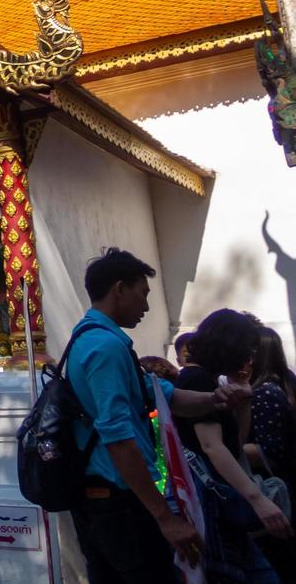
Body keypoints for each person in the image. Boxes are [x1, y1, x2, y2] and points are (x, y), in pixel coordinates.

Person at [65, 249, 256, 583]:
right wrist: (164, 517)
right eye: (143, 293)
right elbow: (118, 438)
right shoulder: (104, 348)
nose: (147, 306)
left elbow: (167, 397)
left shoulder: (97, 340)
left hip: (111, 501)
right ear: (119, 289)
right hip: (118, 502)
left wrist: (216, 399)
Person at [176, 309, 288, 580]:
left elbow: (234, 443)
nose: (250, 357)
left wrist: (244, 397)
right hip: (214, 508)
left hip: (220, 507)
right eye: (247, 348)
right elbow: (213, 447)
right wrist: (258, 500)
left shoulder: (210, 380)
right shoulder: (197, 379)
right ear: (229, 345)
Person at [246, 326, 296, 579]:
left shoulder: (265, 392)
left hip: (278, 491)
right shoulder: (286, 383)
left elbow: (269, 451)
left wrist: (221, 449)